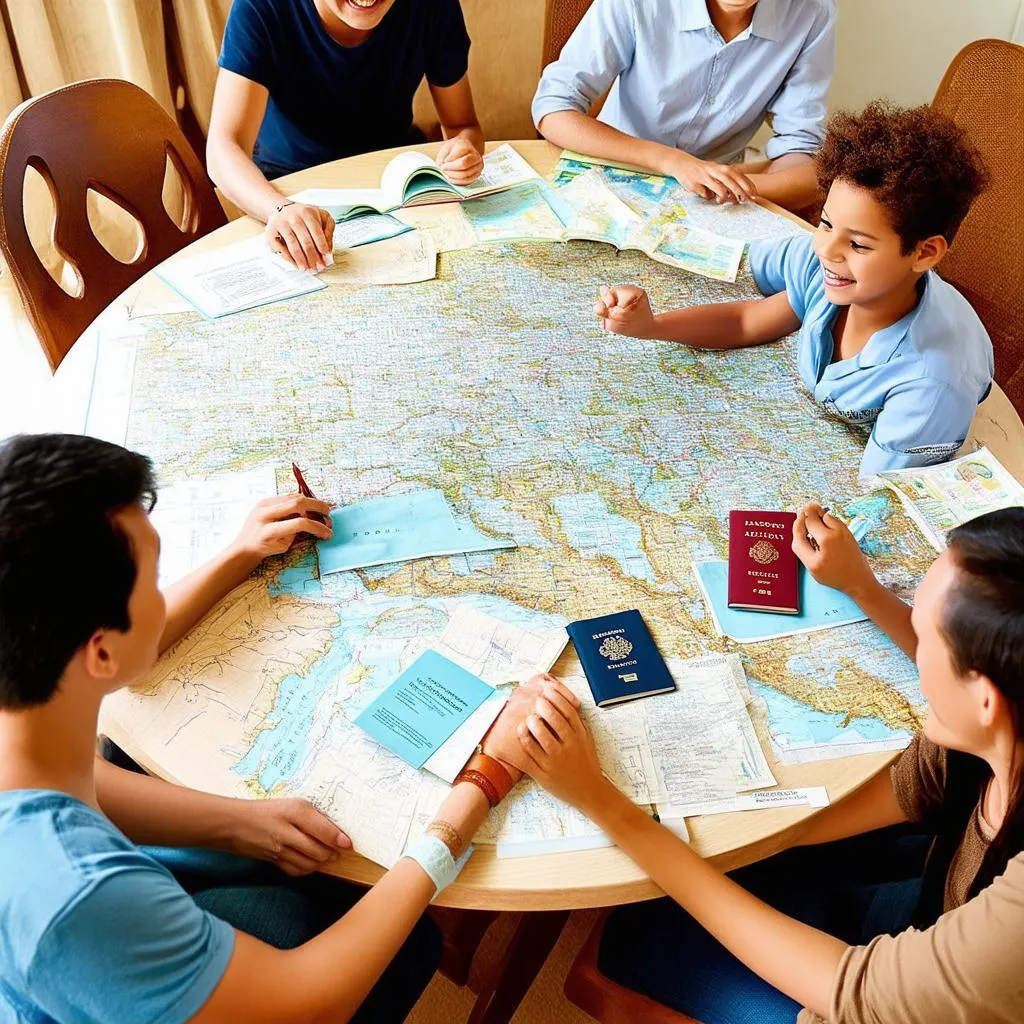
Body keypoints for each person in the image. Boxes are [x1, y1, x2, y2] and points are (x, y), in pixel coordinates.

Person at [0, 432, 578, 1023]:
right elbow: (309, 1004)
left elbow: (86, 774)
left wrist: (239, 554)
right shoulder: (71, 896)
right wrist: (480, 785)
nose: (161, 592)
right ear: (98, 653)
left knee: (267, 862)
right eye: (151, 580)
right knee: (408, 945)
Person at [512, 503, 1024, 1023]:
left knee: (639, 938)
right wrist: (863, 587)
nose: (913, 642)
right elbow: (914, 783)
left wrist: (602, 801)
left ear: (985, 699)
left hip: (875, 998)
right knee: (741, 866)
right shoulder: (1001, 725)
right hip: (929, 916)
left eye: (925, 631)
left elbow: (854, 994)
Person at [594, 102, 992, 478]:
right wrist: (652, 325)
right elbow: (747, 320)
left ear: (924, 252)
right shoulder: (835, 271)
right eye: (824, 222)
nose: (826, 249)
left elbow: (884, 491)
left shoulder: (932, 385)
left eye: (858, 244)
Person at [208, 0, 486, 272]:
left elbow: (463, 125)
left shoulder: (433, 6)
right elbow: (223, 148)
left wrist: (464, 148)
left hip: (396, 190)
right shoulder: (260, 7)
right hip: (288, 191)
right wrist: (278, 209)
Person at [532, 0, 836, 212]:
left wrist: (721, 185)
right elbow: (553, 109)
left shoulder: (812, 11)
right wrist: (669, 162)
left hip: (720, 205)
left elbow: (805, 158)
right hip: (612, 177)